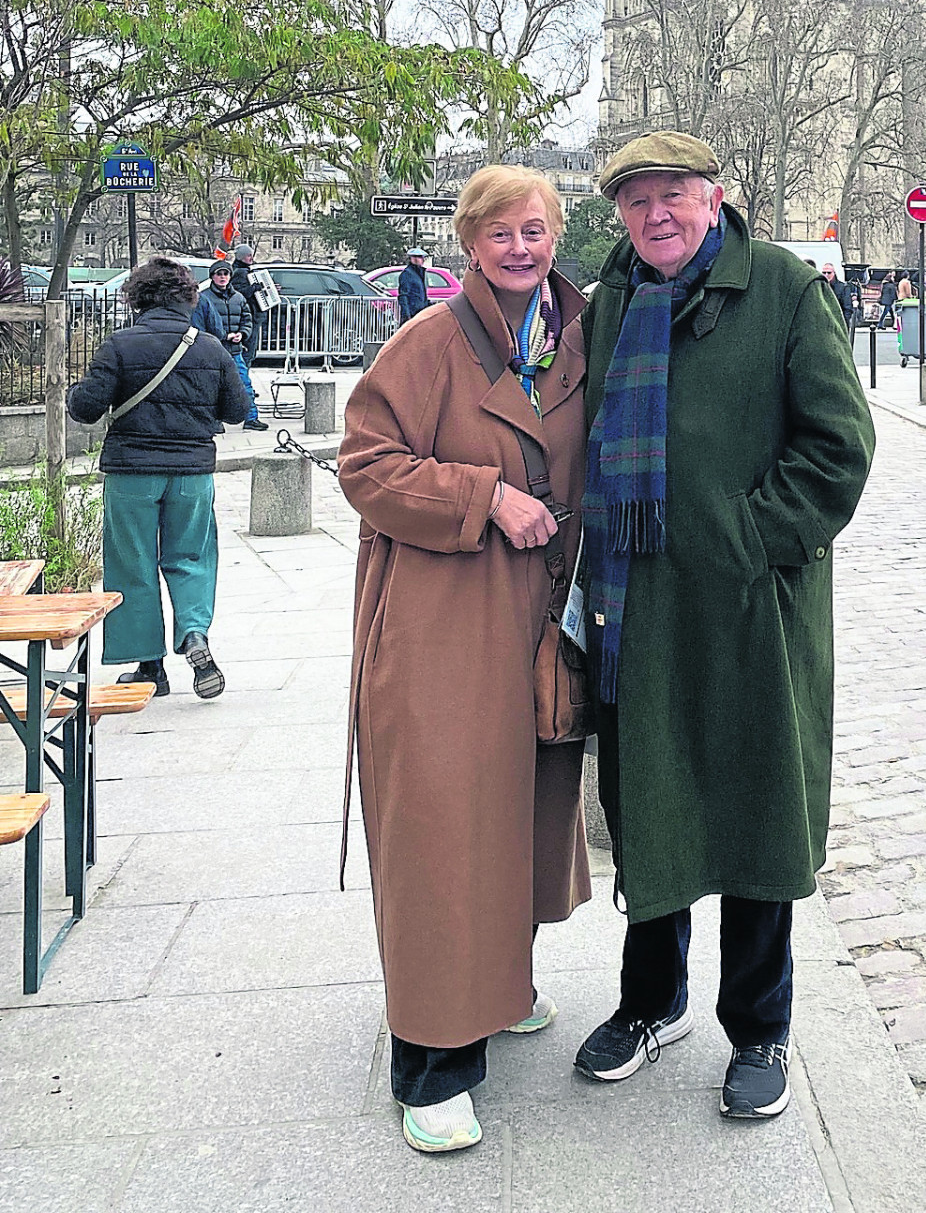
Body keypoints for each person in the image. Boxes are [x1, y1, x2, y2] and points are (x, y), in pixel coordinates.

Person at [575, 131, 874, 1121]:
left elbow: (838, 449)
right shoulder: (611, 299)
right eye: (635, 202)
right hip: (638, 603)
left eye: (673, 196)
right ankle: (650, 1003)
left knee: (755, 818)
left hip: (749, 610)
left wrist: (749, 540)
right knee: (652, 805)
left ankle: (761, 1029)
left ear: (714, 198)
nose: (655, 215)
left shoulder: (782, 287)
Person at [339, 169, 591, 1156]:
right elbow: (365, 464)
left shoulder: (575, 343)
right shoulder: (429, 343)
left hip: (537, 616)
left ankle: (495, 983)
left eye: (534, 231)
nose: (520, 249)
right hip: (442, 621)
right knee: (442, 827)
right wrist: (482, 495)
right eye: (500, 235)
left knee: (518, 812)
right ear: (469, 244)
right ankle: (432, 1055)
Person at [66, 258, 245, 701]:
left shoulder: (120, 345)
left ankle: (149, 667)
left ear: (137, 300)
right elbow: (237, 411)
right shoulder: (209, 347)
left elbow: (87, 407)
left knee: (133, 565)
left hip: (132, 474)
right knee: (192, 557)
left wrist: (73, 389)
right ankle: (195, 636)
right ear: (188, 300)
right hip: (192, 473)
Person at [193, 260, 267, 432]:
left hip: (235, 350)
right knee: (213, 387)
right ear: (212, 276)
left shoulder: (239, 298)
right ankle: (214, 421)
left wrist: (243, 333)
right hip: (213, 351)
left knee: (245, 384)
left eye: (225, 274)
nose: (222, 277)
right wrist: (224, 336)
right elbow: (200, 326)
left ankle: (251, 418)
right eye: (219, 274)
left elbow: (247, 319)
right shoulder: (204, 298)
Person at [230, 243, 263, 366]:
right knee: (248, 352)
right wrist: (255, 288)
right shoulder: (240, 272)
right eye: (249, 255)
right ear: (241, 257)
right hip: (250, 316)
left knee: (248, 351)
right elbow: (240, 293)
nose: (251, 258)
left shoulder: (240, 270)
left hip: (250, 315)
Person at [397, 248, 430, 323]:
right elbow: (403, 295)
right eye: (418, 257)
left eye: (421, 257)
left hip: (420, 313)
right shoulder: (407, 274)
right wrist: (406, 315)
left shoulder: (420, 273)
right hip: (412, 313)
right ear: (412, 259)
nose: (421, 260)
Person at [821, 261, 852, 338]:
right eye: (824, 273)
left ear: (834, 273)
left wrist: (843, 326)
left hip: (838, 324)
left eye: (829, 273)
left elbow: (847, 308)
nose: (826, 275)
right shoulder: (820, 287)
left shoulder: (843, 287)